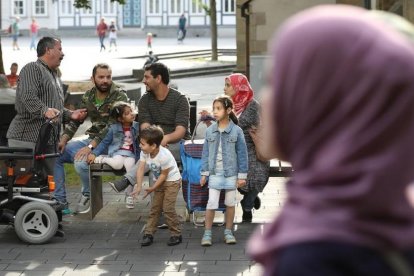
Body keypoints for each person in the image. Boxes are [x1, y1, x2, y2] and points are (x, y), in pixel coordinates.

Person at [247, 5, 414, 276]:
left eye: (277, 81)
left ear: (323, 108)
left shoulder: (312, 256)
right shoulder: (392, 223)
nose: (265, 99)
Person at [53, 63, 128, 214]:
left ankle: (87, 194)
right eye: (101, 77)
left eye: (108, 77)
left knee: (81, 163)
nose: (105, 80)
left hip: (113, 143)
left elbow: (111, 128)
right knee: (56, 154)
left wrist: (90, 147)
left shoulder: (120, 95)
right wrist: (64, 139)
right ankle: (60, 201)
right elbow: (77, 120)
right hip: (93, 140)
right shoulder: (89, 96)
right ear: (92, 78)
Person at [6, 37, 87, 175]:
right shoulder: (32, 68)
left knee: (48, 184)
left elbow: (54, 109)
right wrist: (44, 110)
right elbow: (27, 96)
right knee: (25, 185)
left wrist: (69, 114)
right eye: (60, 49)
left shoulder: (54, 75)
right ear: (48, 50)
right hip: (26, 139)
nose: (63, 54)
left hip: (48, 141)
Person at [109, 62, 190, 192]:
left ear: (158, 79)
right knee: (154, 158)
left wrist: (165, 139)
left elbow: (180, 131)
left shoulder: (180, 99)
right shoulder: (145, 100)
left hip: (177, 145)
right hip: (153, 143)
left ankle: (127, 180)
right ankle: (157, 210)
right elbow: (145, 128)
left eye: (147, 77)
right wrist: (156, 141)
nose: (143, 81)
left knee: (153, 154)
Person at [199, 95, 248, 246]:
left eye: (218, 109)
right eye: (214, 109)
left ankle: (228, 231)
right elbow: (205, 153)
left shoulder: (237, 131)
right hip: (214, 174)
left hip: (231, 174)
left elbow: (242, 153)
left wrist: (242, 176)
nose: (215, 112)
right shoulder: (210, 131)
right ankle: (207, 233)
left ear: (228, 110)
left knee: (230, 203)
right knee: (211, 203)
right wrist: (204, 173)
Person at [223, 73, 270, 223]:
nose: (224, 89)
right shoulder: (224, 104)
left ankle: (247, 204)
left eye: (228, 85)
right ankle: (250, 197)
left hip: (253, 146)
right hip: (232, 149)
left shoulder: (252, 105)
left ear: (238, 87)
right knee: (230, 173)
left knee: (258, 174)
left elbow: (238, 126)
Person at [130, 125, 182, 246]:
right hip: (159, 181)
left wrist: (153, 188)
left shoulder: (164, 156)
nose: (140, 146)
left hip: (172, 182)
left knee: (168, 209)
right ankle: (149, 233)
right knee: (155, 209)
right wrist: (138, 186)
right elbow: (140, 168)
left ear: (153, 145)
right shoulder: (145, 152)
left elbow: (164, 175)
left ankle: (176, 234)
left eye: (142, 144)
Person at [87, 101, 140, 209]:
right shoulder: (114, 128)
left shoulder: (137, 126)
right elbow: (104, 142)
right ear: (120, 119)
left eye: (131, 111)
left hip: (130, 154)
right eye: (127, 113)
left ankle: (129, 195)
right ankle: (103, 159)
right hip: (118, 152)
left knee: (131, 170)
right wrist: (94, 153)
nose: (131, 114)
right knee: (117, 165)